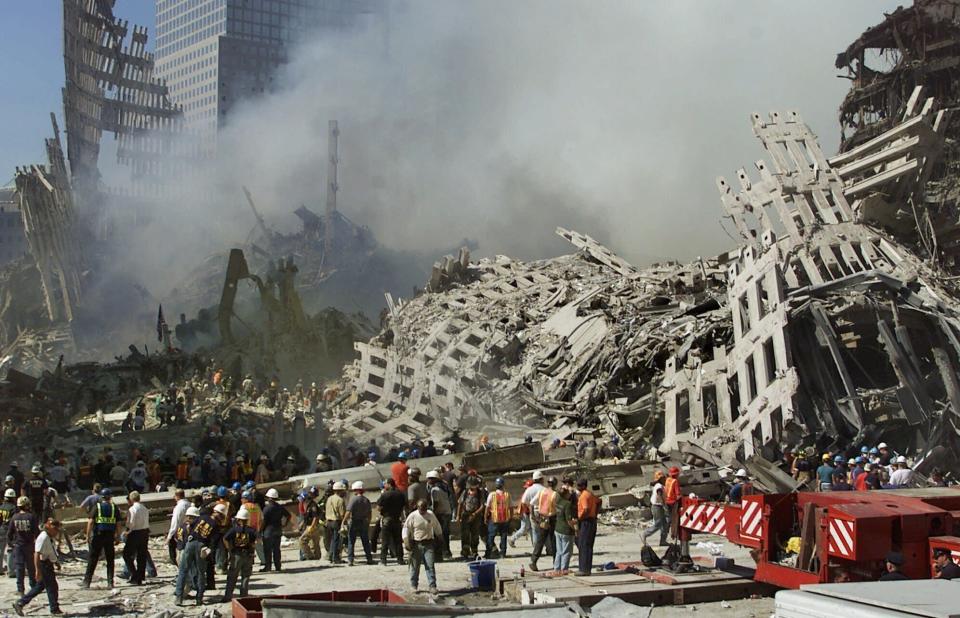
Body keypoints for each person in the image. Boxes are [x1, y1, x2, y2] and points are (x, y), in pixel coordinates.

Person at [174, 502, 225, 605]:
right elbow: (213, 542)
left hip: (190, 543)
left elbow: (189, 526)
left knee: (183, 571)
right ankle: (199, 598)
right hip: (202, 546)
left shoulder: (201, 517)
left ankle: (179, 597)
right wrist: (209, 552)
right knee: (201, 573)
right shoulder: (215, 525)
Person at [12, 518, 62, 616]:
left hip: (48, 563)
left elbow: (51, 551)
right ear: (50, 528)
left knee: (40, 587)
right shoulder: (43, 537)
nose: (57, 532)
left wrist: (56, 562)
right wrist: (37, 571)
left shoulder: (49, 537)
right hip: (44, 565)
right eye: (56, 530)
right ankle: (54, 609)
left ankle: (20, 603)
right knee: (52, 587)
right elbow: (36, 554)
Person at [402, 499, 442, 594]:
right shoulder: (413, 516)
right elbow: (406, 528)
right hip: (416, 544)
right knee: (415, 566)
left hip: (428, 543)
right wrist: (406, 540)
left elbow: (437, 526)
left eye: (424, 508)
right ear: (417, 507)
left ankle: (432, 586)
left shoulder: (430, 515)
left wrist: (440, 537)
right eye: (421, 508)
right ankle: (414, 585)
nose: (422, 510)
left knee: (430, 565)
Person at [83, 488, 120, 588]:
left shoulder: (97, 507)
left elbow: (90, 522)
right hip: (109, 536)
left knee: (93, 559)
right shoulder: (114, 507)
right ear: (110, 497)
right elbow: (118, 523)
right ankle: (110, 582)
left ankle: (87, 582)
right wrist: (117, 536)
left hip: (98, 536)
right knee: (110, 560)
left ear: (102, 497)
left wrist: (87, 536)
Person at [221, 507, 258, 602]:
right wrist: (252, 547)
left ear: (238, 519)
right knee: (245, 576)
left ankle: (228, 596)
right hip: (248, 555)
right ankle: (244, 596)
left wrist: (229, 549)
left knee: (232, 576)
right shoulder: (251, 530)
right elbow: (258, 540)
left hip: (236, 555)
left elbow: (225, 538)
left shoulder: (234, 530)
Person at [8, 497, 38, 595]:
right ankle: (33, 586)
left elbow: (10, 533)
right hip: (29, 545)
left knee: (19, 568)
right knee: (31, 567)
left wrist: (11, 544)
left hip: (18, 546)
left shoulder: (14, 517)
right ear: (26, 505)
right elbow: (36, 532)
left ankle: (20, 589)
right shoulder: (31, 517)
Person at [529, 474, 558, 571]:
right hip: (552, 519)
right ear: (555, 484)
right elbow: (558, 508)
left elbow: (532, 503)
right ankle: (556, 563)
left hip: (542, 519)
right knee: (554, 541)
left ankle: (533, 561)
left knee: (540, 541)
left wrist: (533, 515)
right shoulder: (555, 494)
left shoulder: (542, 492)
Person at [122, 491, 150, 585]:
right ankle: (141, 575)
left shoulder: (132, 509)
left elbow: (131, 522)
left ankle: (134, 575)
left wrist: (127, 531)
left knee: (126, 554)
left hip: (135, 533)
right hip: (144, 532)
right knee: (141, 555)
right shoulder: (144, 508)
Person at [260, 488, 290, 572]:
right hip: (278, 530)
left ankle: (268, 567)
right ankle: (278, 566)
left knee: (267, 550)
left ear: (269, 498)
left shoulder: (267, 509)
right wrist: (285, 524)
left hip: (268, 532)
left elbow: (263, 521)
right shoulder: (280, 507)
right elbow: (288, 515)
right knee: (276, 550)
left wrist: (259, 531)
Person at [377, 478, 406, 566]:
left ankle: (383, 560)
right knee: (398, 541)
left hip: (387, 519)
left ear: (389, 484)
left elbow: (378, 507)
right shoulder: (400, 494)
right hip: (397, 519)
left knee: (385, 541)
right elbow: (404, 506)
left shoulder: (385, 495)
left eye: (385, 484)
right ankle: (400, 559)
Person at [345, 481, 374, 565]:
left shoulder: (353, 500)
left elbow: (348, 511)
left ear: (357, 490)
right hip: (363, 522)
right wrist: (368, 521)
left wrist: (344, 521)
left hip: (354, 522)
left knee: (351, 541)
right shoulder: (366, 500)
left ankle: (350, 560)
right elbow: (369, 513)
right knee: (365, 541)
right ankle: (369, 558)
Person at [426, 471, 452, 561]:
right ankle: (447, 552)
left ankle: (441, 553)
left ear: (433, 479)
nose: (428, 480)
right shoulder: (444, 486)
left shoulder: (434, 490)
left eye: (429, 479)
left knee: (439, 534)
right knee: (445, 533)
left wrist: (433, 514)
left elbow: (436, 503)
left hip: (441, 513)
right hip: (447, 511)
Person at [576, 478, 600, 576]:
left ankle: (584, 569)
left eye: (578, 485)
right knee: (588, 545)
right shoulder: (590, 494)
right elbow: (599, 502)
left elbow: (585, 509)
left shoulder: (584, 496)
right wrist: (595, 513)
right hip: (591, 521)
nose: (577, 487)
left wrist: (580, 518)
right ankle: (587, 568)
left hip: (586, 522)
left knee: (584, 545)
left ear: (582, 486)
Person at [457, 478, 485, 559]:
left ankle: (474, 551)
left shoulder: (480, 493)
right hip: (465, 515)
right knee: (465, 534)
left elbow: (482, 505)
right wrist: (458, 516)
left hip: (476, 517)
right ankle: (465, 551)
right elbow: (460, 503)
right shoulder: (465, 492)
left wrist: (475, 514)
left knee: (475, 534)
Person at [485, 477, 511, 559]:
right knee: (503, 536)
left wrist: (485, 517)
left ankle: (489, 553)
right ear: (503, 485)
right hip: (505, 519)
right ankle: (503, 553)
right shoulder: (507, 495)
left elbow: (487, 507)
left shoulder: (491, 495)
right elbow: (511, 507)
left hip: (494, 519)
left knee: (491, 536)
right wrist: (511, 517)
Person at [553, 484, 577, 573]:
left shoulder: (558, 502)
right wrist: (575, 529)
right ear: (566, 494)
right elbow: (569, 520)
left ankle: (557, 568)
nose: (570, 494)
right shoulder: (567, 504)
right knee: (567, 551)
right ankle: (564, 569)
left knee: (559, 551)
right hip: (566, 531)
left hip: (558, 529)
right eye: (568, 493)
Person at [641, 470, 668, 546]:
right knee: (658, 524)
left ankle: (663, 541)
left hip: (658, 506)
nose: (665, 479)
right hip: (657, 507)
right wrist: (664, 505)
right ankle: (645, 534)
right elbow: (659, 495)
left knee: (664, 524)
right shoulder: (659, 486)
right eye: (663, 478)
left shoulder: (660, 485)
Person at [167, 489, 192, 565]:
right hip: (189, 529)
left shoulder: (179, 507)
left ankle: (177, 565)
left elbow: (175, 522)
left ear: (177, 496)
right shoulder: (189, 504)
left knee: (176, 549)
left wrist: (169, 536)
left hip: (180, 530)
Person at [325, 482, 347, 564]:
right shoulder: (340, 500)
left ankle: (331, 556)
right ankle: (336, 558)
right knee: (337, 541)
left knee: (332, 540)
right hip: (336, 522)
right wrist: (344, 523)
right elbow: (342, 514)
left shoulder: (329, 498)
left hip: (328, 521)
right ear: (339, 491)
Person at [299, 487, 323, 560]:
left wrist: (312, 526)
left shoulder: (313, 505)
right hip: (312, 525)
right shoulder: (308, 504)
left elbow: (315, 517)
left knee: (302, 540)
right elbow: (306, 516)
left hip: (313, 526)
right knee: (315, 543)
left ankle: (309, 555)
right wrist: (302, 524)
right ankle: (317, 556)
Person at [664, 467, 682, 541]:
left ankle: (666, 532)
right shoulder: (675, 481)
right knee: (675, 519)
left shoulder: (667, 480)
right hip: (673, 502)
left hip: (667, 501)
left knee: (669, 518)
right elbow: (678, 494)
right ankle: (674, 534)